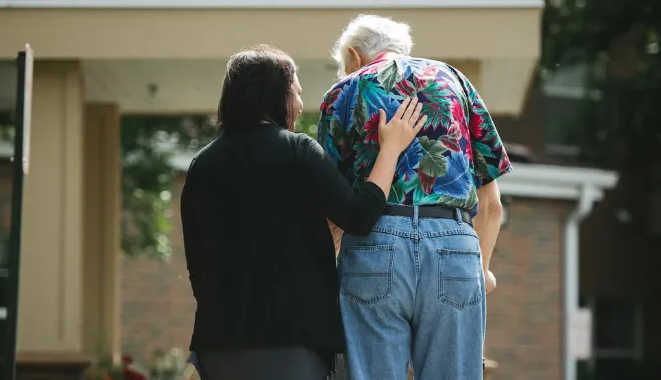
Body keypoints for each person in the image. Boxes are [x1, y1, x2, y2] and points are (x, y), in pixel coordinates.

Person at [180, 44, 427, 380]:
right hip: (291, 344)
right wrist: (391, 149)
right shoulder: (298, 151)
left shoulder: (201, 165)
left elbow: (198, 265)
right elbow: (359, 216)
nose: (298, 104)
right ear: (273, 95)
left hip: (218, 346)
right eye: (294, 92)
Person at [318, 15, 513, 380]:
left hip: (374, 246)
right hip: (454, 245)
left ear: (354, 55)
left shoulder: (344, 92)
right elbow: (492, 204)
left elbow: (331, 210)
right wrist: (481, 269)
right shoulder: (455, 82)